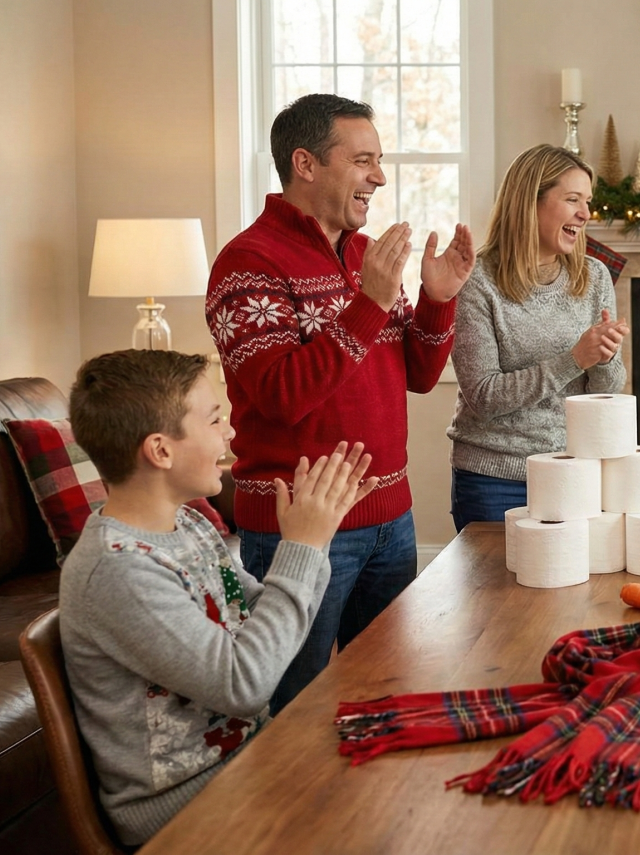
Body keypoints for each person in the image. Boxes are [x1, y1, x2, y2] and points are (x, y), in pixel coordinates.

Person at [204, 93, 474, 713]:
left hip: (392, 520)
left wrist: (436, 299)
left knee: (385, 693)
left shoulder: (364, 255)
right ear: (306, 163)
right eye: (362, 161)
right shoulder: (247, 263)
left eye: (378, 161)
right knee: (292, 706)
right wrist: (371, 304)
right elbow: (279, 398)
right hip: (304, 530)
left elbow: (420, 375)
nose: (378, 176)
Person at [60, 350, 373, 845]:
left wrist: (319, 535)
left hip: (251, 757)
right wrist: (302, 547)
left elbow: (274, 623)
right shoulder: (118, 569)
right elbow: (245, 682)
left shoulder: (187, 524)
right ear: (160, 451)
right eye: (214, 419)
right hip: (187, 806)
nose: (229, 432)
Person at [447, 144, 628, 531]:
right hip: (494, 479)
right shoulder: (477, 281)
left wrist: (606, 357)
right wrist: (574, 358)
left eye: (588, 201)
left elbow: (609, 390)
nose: (586, 214)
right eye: (573, 200)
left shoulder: (593, 277)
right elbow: (483, 397)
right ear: (530, 202)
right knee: (496, 593)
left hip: (574, 473)